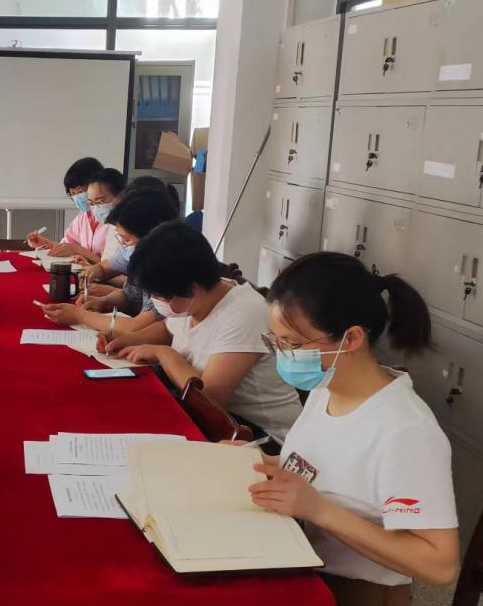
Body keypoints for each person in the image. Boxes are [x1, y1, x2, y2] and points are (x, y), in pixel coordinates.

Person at [250, 251, 459, 606]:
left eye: (293, 343)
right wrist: (257, 461)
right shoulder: (327, 389)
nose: (283, 354)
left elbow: (440, 565)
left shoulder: (405, 431)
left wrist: (319, 510)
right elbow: (314, 468)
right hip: (308, 587)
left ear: (352, 338)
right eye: (276, 340)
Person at [113, 222, 303, 444]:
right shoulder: (195, 302)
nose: (157, 303)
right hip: (212, 423)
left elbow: (208, 398)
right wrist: (126, 340)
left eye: (161, 297)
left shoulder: (244, 312)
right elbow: (167, 329)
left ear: (192, 289)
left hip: (260, 437)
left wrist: (164, 354)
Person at [38, 186, 177, 341]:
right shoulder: (141, 257)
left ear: (151, 235)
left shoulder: (168, 269)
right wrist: (104, 301)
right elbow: (130, 295)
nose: (123, 245)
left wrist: (79, 315)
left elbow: (136, 327)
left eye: (126, 239)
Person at [26, 157, 107, 261]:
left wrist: (78, 250)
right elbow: (67, 246)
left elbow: (113, 266)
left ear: (96, 185)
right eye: (72, 193)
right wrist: (45, 244)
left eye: (80, 191)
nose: (77, 197)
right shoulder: (83, 216)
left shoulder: (111, 217)